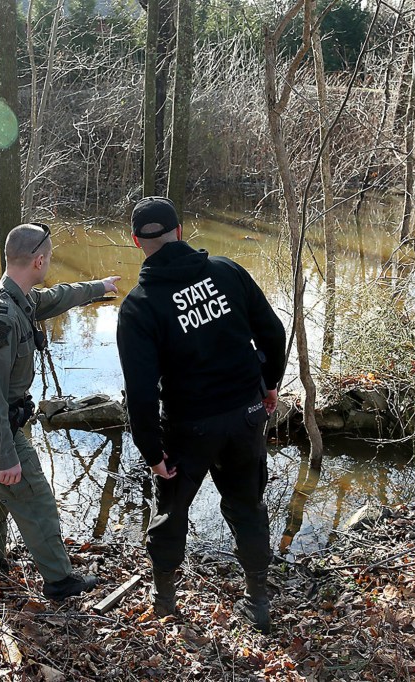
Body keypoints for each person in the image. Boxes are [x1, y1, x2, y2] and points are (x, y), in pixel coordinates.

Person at [116, 196, 286, 633]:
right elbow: (273, 331)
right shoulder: (227, 272)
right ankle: (258, 600)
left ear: (137, 242)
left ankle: (164, 600)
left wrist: (151, 451)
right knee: (247, 504)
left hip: (189, 427)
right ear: (181, 228)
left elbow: (140, 391)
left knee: (171, 512)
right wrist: (269, 386)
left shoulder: (139, 305)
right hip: (246, 414)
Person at [0, 223, 120, 600]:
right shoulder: (1, 317)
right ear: (40, 260)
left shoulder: (14, 298)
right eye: (49, 258)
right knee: (36, 499)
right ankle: (60, 581)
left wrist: (98, 288)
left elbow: (56, 298)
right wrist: (6, 454)